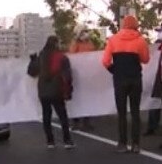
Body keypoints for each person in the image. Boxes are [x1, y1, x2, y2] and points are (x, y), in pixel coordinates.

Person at [102, 15, 150, 153]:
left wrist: (114, 71)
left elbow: (105, 61)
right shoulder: (140, 40)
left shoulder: (113, 39)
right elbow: (146, 60)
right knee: (135, 112)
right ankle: (136, 144)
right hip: (135, 79)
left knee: (121, 112)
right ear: (136, 25)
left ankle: (122, 144)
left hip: (119, 80)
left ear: (123, 25)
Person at [27, 36, 75, 149]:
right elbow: (68, 76)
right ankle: (67, 141)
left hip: (43, 91)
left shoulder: (41, 57)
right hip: (57, 90)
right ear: (56, 44)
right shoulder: (62, 58)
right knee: (62, 116)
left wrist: (33, 59)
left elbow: (31, 72)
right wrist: (69, 90)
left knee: (46, 116)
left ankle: (50, 142)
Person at [69, 29, 98, 131]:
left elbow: (94, 55)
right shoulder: (75, 44)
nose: (85, 35)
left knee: (88, 98)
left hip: (88, 75)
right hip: (78, 76)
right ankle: (76, 122)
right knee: (77, 99)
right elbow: (72, 55)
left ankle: (87, 121)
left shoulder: (89, 43)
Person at [145, 26, 162, 137]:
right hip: (157, 78)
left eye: (160, 31)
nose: (158, 34)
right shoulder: (156, 45)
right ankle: (151, 127)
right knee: (154, 104)